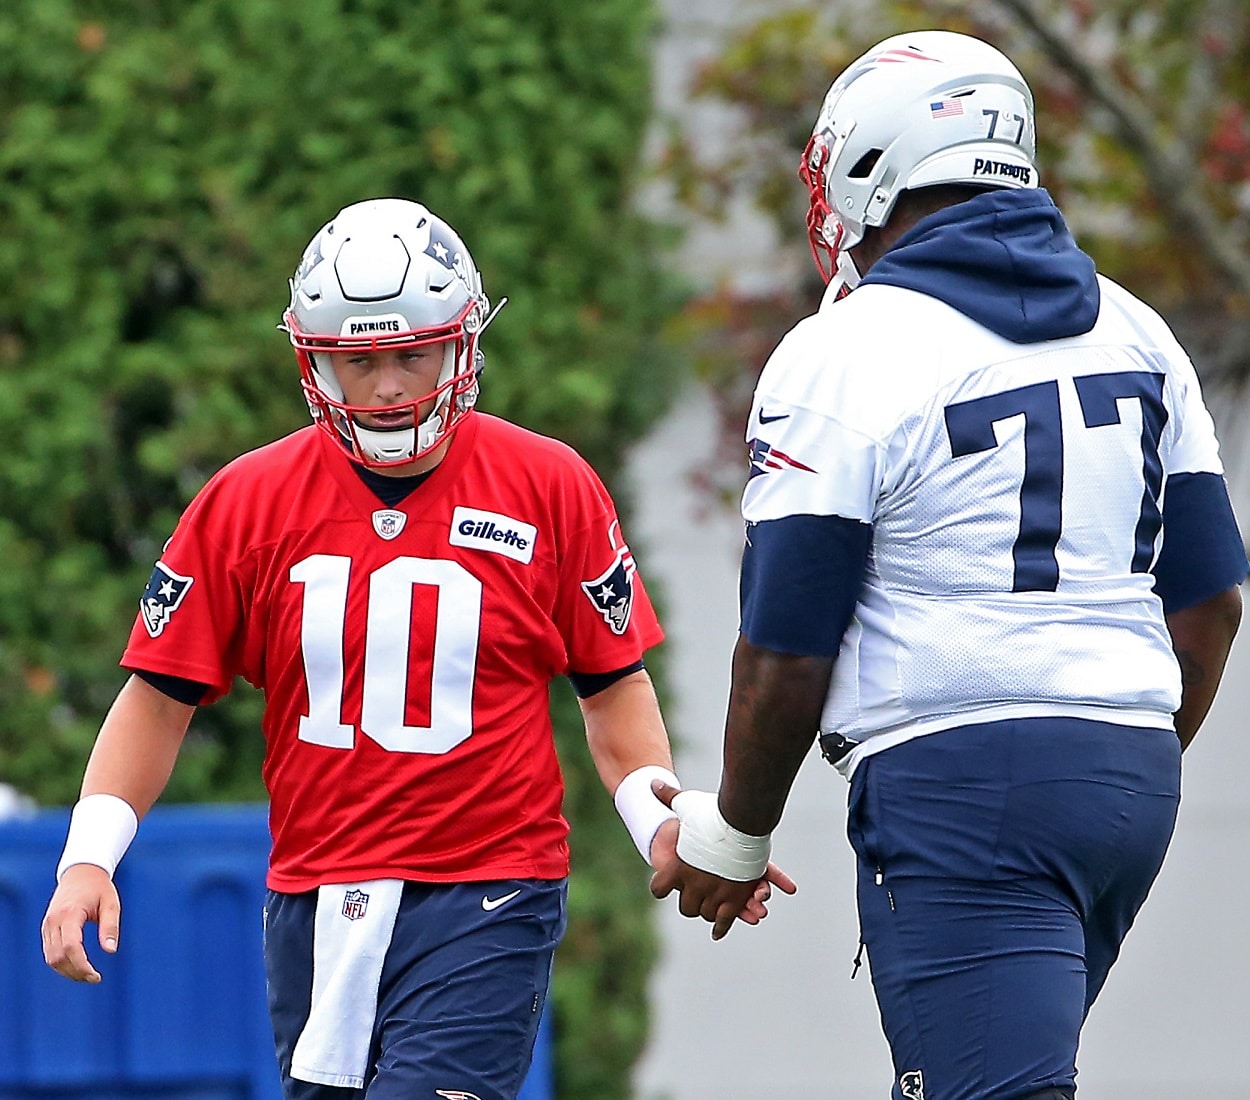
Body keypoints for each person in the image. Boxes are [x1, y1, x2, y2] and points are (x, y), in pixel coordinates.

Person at [40, 197, 789, 1100]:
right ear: (316, 362)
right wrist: (90, 854)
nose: (390, 386)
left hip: (488, 892)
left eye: (411, 353)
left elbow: (609, 685)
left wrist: (657, 820)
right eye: (359, 362)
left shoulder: (547, 485)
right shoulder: (247, 501)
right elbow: (158, 698)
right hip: (316, 897)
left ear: (461, 345)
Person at [651, 30, 1247, 1100]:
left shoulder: (846, 347)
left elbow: (783, 649)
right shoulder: (1138, 331)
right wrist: (1104, 744)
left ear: (868, 164)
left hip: (968, 785)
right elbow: (1205, 603)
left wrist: (736, 834)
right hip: (1128, 777)